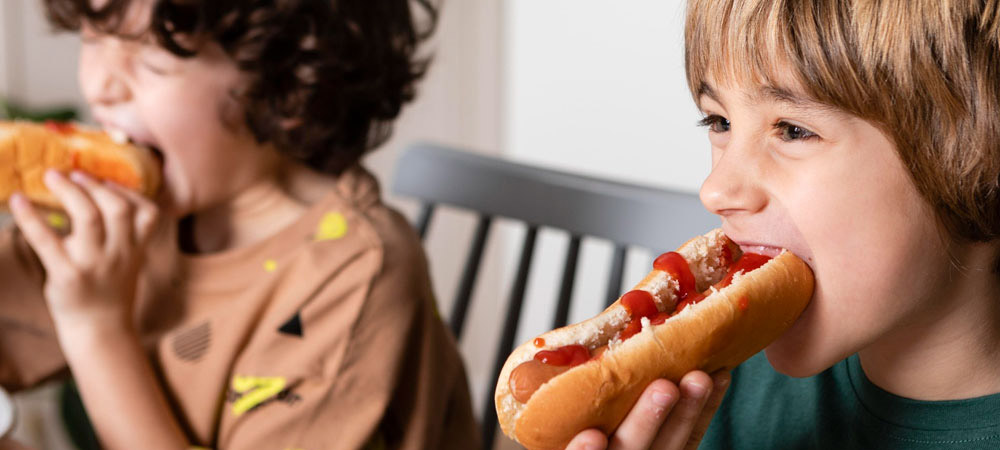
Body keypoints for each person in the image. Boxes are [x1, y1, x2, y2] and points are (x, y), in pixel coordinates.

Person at [0, 0, 480, 448]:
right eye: (93, 38)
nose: (100, 84)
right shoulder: (131, 212)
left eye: (151, 60)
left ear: (285, 85)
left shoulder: (354, 278)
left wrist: (96, 325)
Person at [568, 0, 1000, 448]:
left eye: (793, 130)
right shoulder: (708, 386)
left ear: (980, 153)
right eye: (720, 121)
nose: (715, 190)